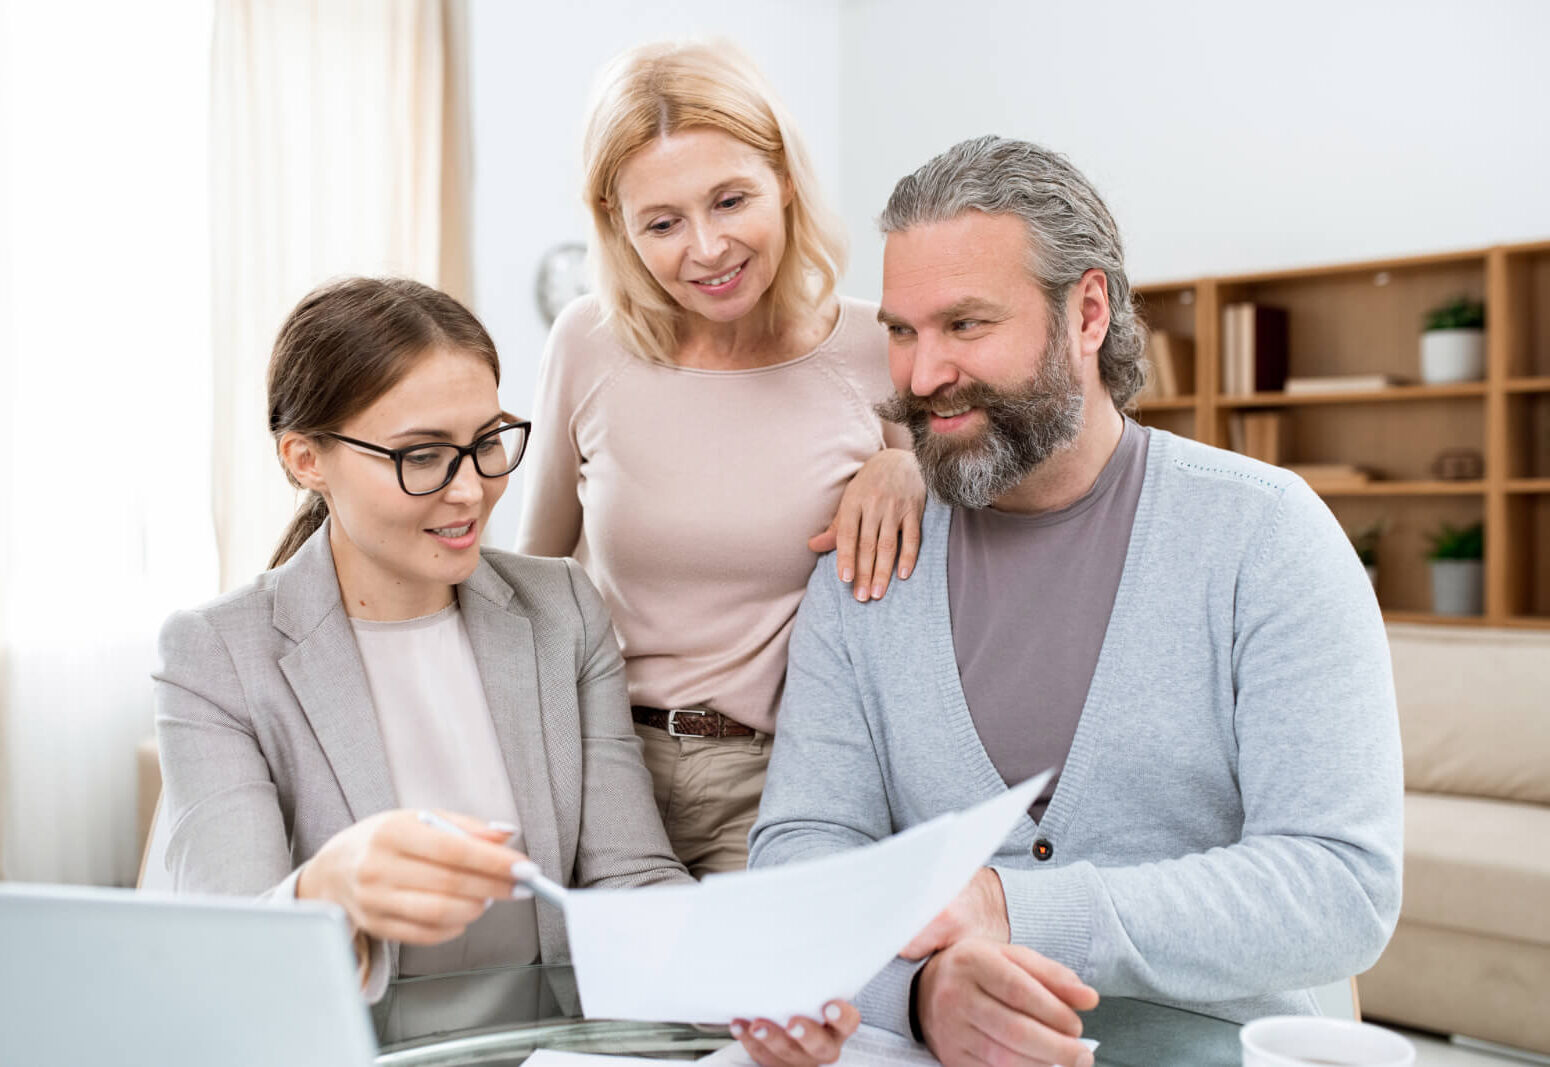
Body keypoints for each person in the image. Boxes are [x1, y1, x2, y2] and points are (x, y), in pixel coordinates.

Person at [749, 136, 1404, 1067]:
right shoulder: (866, 565)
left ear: (1087, 312)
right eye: (901, 331)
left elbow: (1341, 888)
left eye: (966, 325)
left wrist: (1014, 909)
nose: (922, 375)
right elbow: (801, 857)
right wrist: (925, 993)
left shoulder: (1267, 537)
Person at [154, 277, 856, 1066]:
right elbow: (227, 958)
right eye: (421, 455)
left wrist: (755, 989)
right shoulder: (215, 655)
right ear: (305, 458)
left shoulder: (559, 608)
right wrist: (327, 892)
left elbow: (632, 877)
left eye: (488, 441)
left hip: (559, 1053)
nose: (471, 488)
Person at [517, 40, 924, 876]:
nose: (705, 248)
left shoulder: (875, 349)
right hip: (603, 767)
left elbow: (956, 587)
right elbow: (533, 577)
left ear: (782, 177)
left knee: (764, 1007)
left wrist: (915, 469)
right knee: (606, 1008)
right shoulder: (588, 345)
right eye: (662, 223)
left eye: (730, 199)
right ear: (617, 226)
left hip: (788, 783)